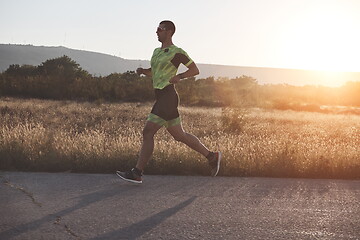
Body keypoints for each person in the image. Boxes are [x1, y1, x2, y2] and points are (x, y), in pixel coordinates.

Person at [116, 20, 221, 184]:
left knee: (148, 132)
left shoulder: (176, 52)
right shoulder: (156, 52)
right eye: (156, 29)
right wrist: (144, 71)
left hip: (168, 95)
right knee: (180, 135)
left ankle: (137, 172)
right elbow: (154, 72)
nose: (156, 32)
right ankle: (211, 156)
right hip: (161, 96)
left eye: (160, 29)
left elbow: (195, 69)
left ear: (169, 31)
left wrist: (179, 76)